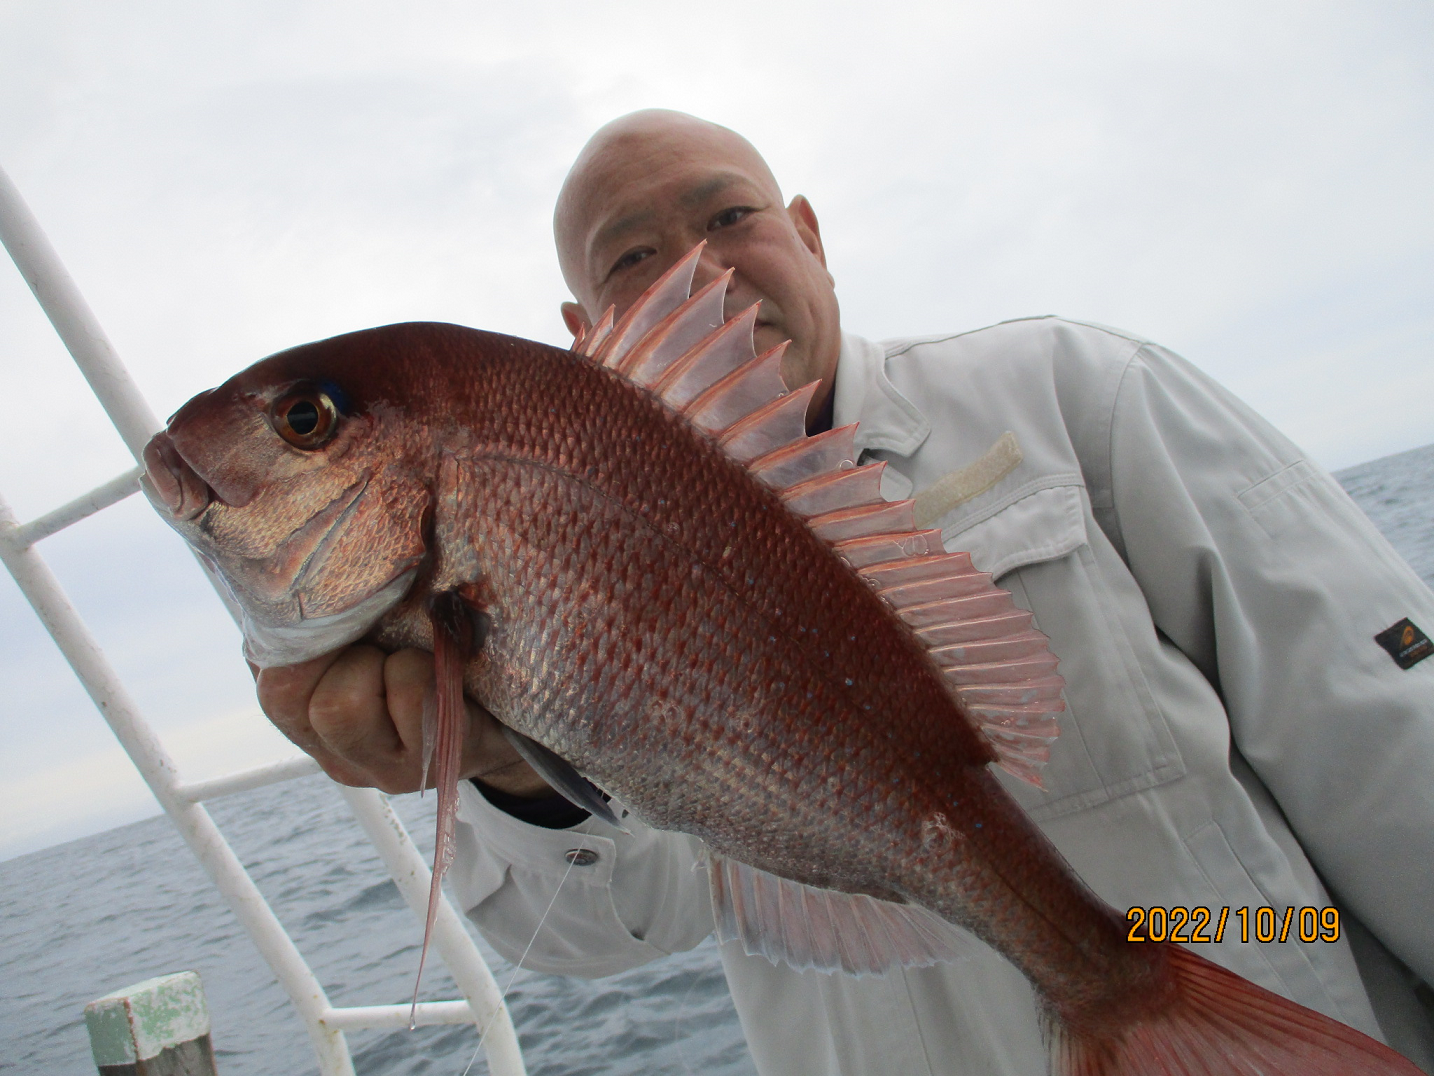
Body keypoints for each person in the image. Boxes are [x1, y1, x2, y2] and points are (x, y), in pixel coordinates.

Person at [258, 110, 1434, 1074]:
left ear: (810, 234)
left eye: (730, 216)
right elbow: (610, 929)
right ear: (585, 333)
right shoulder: (544, 549)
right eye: (632, 255)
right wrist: (512, 762)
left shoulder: (1073, 392)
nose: (702, 269)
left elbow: (1379, 730)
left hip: (1258, 995)